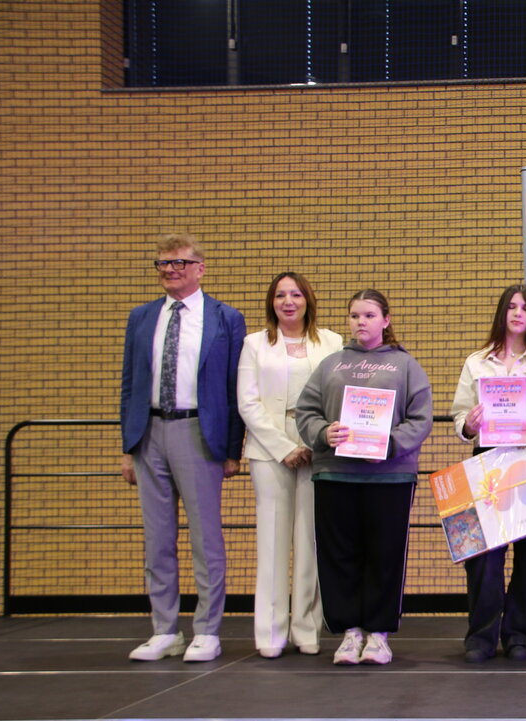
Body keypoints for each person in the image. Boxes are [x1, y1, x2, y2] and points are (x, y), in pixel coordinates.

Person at [120, 233, 245, 663]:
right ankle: (164, 630)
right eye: (163, 263)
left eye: (179, 263)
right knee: (157, 539)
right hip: (149, 433)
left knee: (205, 537)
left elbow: (234, 387)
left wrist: (233, 449)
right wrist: (128, 446)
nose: (170, 270)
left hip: (199, 433)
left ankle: (207, 631)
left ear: (200, 269)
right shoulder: (141, 317)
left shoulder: (225, 318)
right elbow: (130, 383)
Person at [295, 289, 433, 666]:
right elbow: (306, 411)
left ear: (386, 320)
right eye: (355, 315)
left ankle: (378, 634)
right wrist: (323, 432)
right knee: (339, 554)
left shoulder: (406, 366)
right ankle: (349, 632)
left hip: (390, 477)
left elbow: (420, 418)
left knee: (385, 555)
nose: (361, 322)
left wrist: (390, 444)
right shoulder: (331, 364)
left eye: (369, 315)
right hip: (335, 473)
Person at [450, 285, 526, 663]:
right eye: (511, 307)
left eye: (524, 308)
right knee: (484, 557)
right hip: (487, 461)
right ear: (502, 313)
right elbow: (459, 415)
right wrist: (468, 424)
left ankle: (519, 635)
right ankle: (480, 636)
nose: (517, 313)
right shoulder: (476, 362)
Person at [237, 272, 344, 659]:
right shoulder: (254, 344)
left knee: (311, 540)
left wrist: (316, 439)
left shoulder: (331, 341)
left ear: (308, 300)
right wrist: (283, 447)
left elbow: (339, 394)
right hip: (269, 450)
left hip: (318, 444)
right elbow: (247, 402)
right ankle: (270, 632)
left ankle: (306, 627)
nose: (288, 301)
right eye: (280, 295)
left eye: (295, 294)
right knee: (272, 540)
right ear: (272, 302)